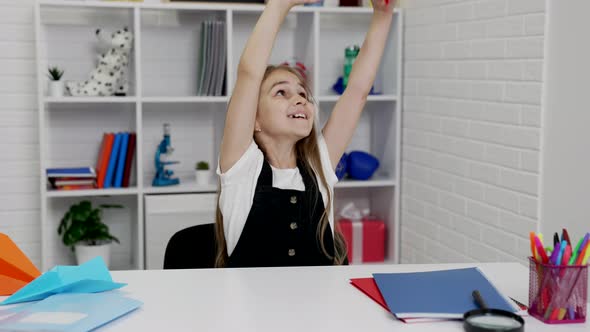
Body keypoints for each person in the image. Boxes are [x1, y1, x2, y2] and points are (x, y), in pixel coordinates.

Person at [215, 0, 395, 268]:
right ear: (254, 120)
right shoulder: (242, 168)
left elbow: (357, 91)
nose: (299, 99)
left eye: (303, 93)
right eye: (281, 92)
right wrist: (278, 7)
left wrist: (382, 15)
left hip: (318, 309)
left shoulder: (317, 164)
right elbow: (249, 74)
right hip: (253, 310)